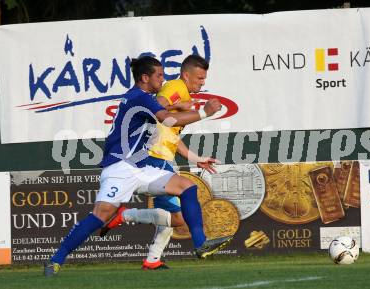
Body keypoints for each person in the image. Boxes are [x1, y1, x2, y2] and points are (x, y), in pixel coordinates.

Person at [44, 56, 228, 277]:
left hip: (140, 167)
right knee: (100, 215)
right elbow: (169, 121)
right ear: (144, 77)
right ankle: (55, 260)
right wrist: (204, 112)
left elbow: (164, 118)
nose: (163, 79)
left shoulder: (142, 98)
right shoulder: (139, 97)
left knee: (187, 187)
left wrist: (178, 111)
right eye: (158, 75)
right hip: (120, 167)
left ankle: (201, 244)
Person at [100, 55, 232, 270]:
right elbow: (157, 109)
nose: (202, 82)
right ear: (186, 75)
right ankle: (130, 219)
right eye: (199, 78)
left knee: (176, 218)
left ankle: (152, 258)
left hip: (163, 154)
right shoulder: (176, 86)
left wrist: (196, 159)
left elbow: (171, 135)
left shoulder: (181, 92)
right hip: (155, 155)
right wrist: (181, 107)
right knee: (179, 216)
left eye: (204, 78)